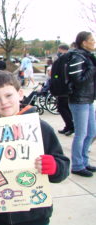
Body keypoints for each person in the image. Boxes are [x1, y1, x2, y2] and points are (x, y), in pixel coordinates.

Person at [0, 71, 70, 225]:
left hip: (35, 214)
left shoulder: (41, 128)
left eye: (9, 95)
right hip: (0, 213)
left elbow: (63, 167)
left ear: (20, 94)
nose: (4, 102)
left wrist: (54, 166)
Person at [67, 31, 96, 177]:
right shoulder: (77, 56)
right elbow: (78, 80)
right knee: (81, 134)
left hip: (88, 100)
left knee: (92, 132)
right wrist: (92, 69)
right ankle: (77, 165)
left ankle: (84, 161)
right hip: (79, 100)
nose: (94, 42)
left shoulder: (87, 56)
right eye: (91, 40)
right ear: (84, 42)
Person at [55, 44, 74, 136]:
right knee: (65, 108)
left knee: (62, 107)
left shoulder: (65, 60)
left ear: (61, 49)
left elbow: (61, 74)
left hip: (64, 88)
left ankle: (70, 126)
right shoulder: (69, 58)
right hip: (66, 88)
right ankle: (68, 126)